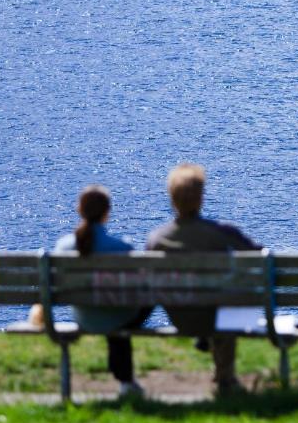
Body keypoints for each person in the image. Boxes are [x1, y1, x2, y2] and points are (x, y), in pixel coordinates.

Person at [146, 163, 260, 397]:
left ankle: (214, 358)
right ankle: (225, 377)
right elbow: (258, 255)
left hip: (180, 315)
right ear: (201, 198)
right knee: (229, 294)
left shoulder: (157, 239)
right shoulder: (220, 232)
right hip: (217, 317)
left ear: (172, 198)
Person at [50, 185, 147, 397]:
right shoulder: (121, 248)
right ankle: (126, 382)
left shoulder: (63, 248)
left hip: (84, 317)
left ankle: (126, 381)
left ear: (80, 210)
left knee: (107, 305)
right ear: (107, 213)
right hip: (118, 317)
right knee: (131, 303)